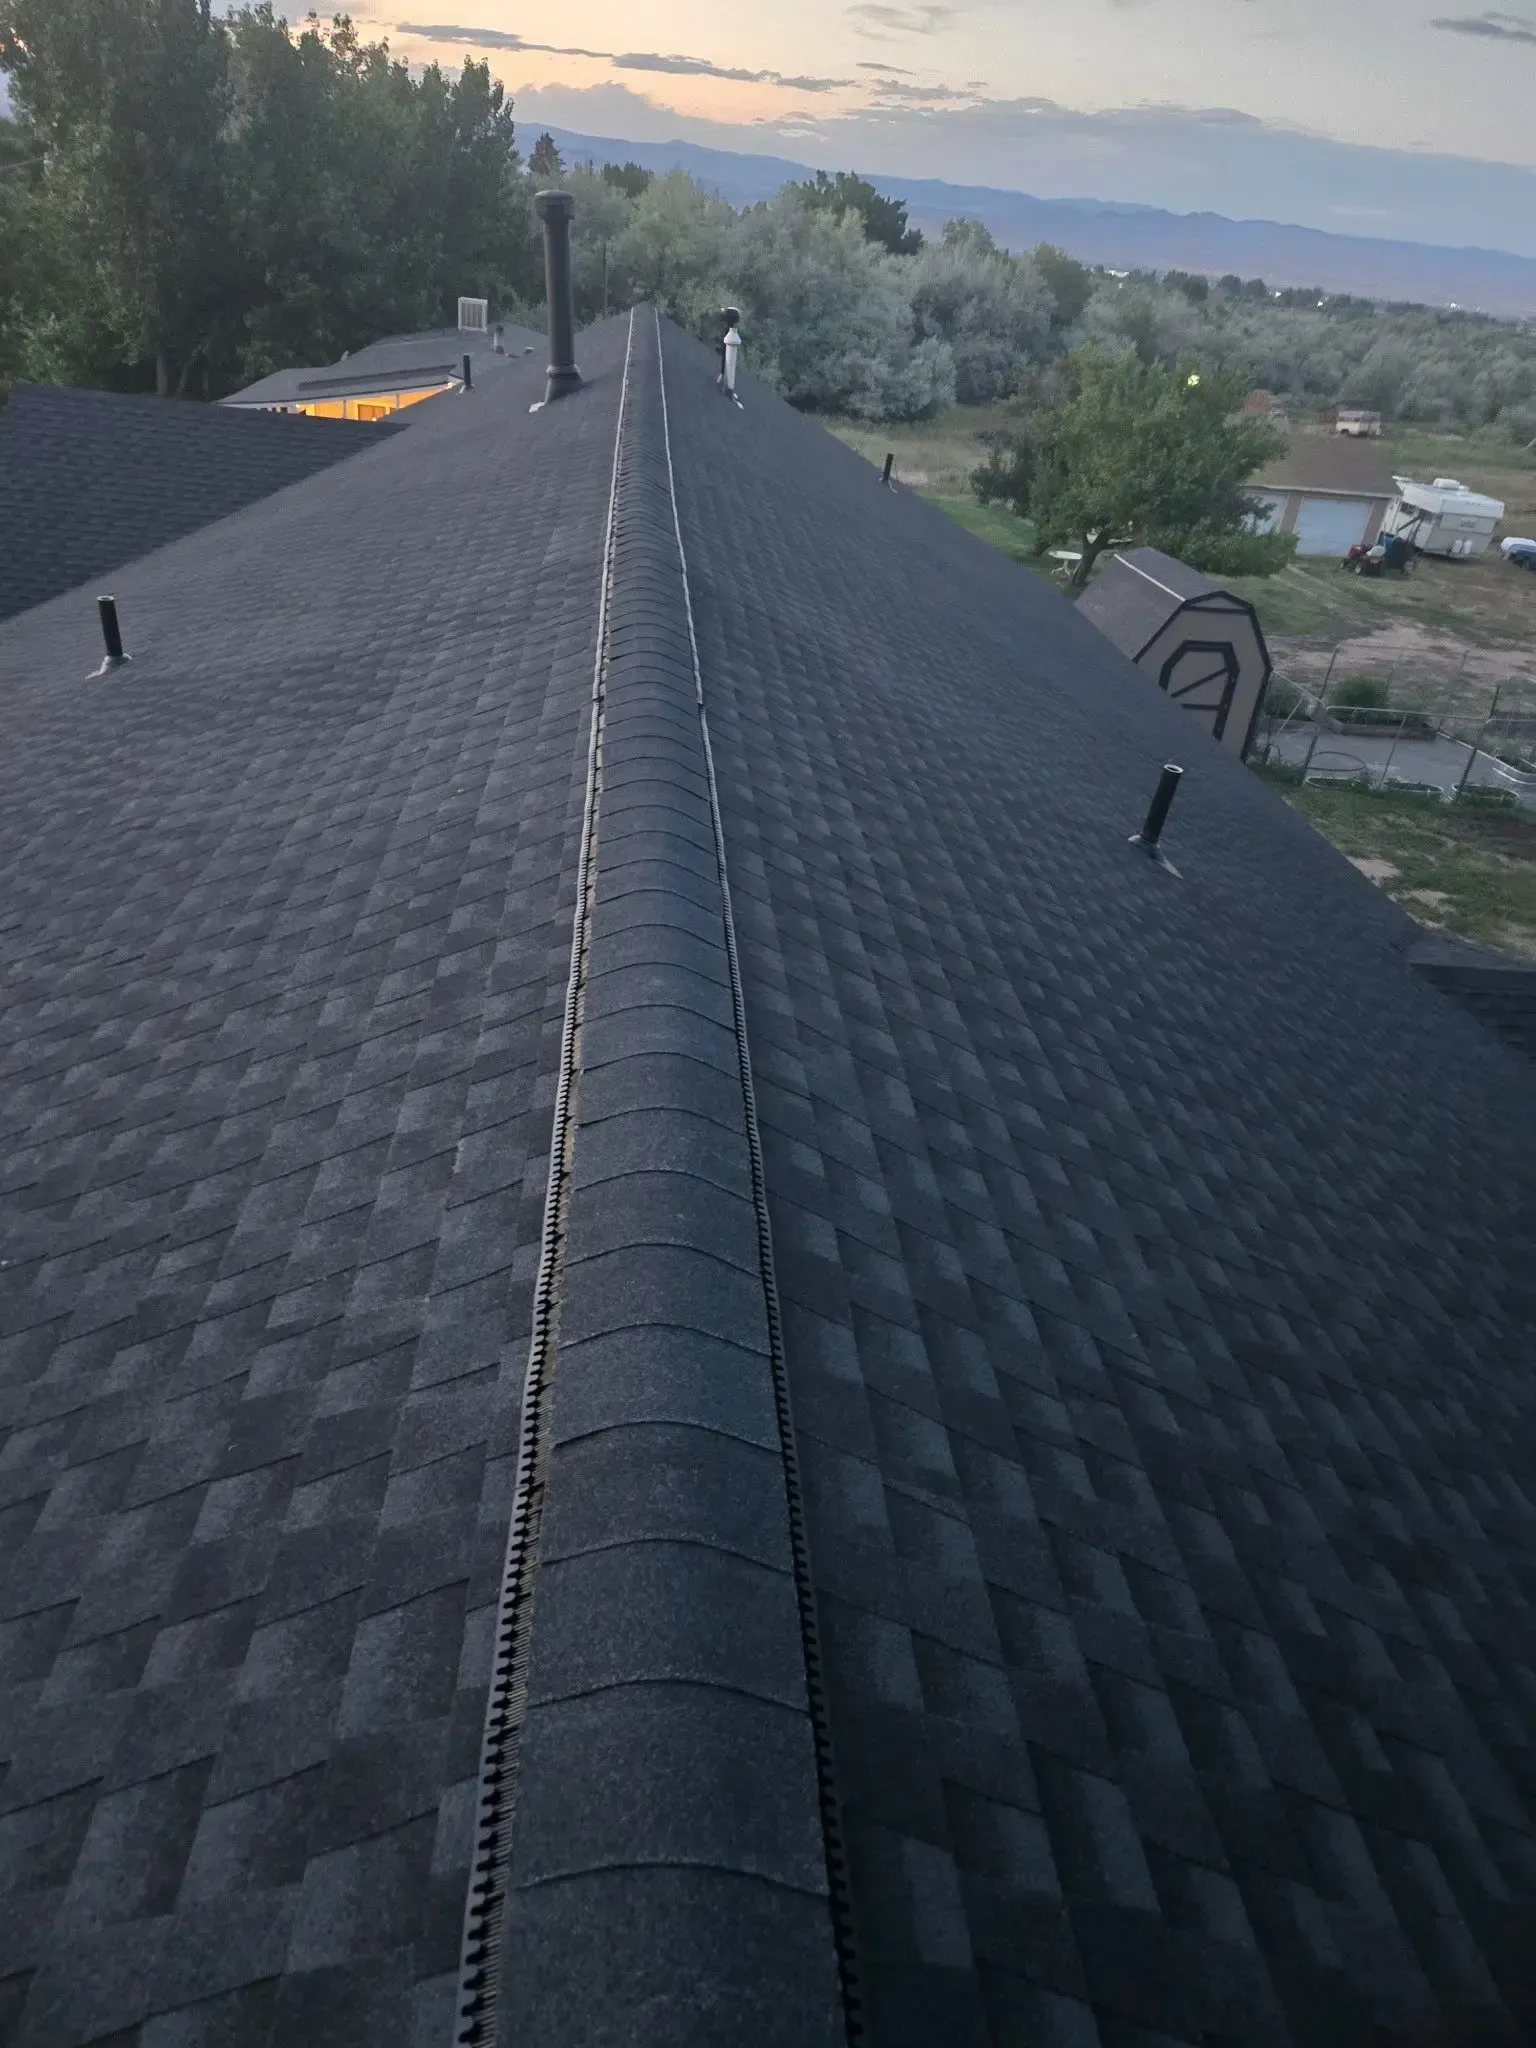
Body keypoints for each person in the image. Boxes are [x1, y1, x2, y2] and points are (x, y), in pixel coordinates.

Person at [717, 307, 742, 396]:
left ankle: (723, 375)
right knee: (726, 356)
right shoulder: (731, 330)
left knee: (726, 356)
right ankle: (723, 375)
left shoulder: (729, 331)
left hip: (728, 337)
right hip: (728, 335)